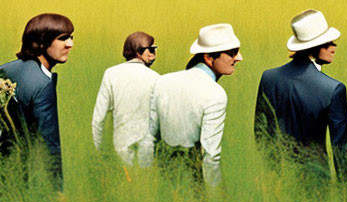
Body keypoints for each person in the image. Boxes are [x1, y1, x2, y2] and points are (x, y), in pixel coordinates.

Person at [255, 9, 347, 182]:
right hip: (316, 182)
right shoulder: (333, 89)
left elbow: (261, 133)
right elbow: (342, 151)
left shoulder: (268, 78)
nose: (334, 47)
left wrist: (269, 179)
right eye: (327, 43)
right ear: (312, 49)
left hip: (275, 181)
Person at [0, 13, 73, 187]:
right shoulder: (43, 82)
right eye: (62, 38)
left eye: (71, 37)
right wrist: (57, 189)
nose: (70, 44)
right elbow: (49, 145)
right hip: (22, 178)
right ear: (41, 42)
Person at [149, 24, 242, 186]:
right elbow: (211, 156)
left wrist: (146, 183)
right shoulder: (215, 94)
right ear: (209, 58)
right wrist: (216, 200)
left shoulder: (162, 81)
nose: (239, 58)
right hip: (193, 178)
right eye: (232, 53)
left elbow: (149, 138)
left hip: (161, 177)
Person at [92, 32, 160, 167]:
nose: (154, 54)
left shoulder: (111, 74)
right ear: (138, 52)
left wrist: (99, 150)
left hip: (119, 146)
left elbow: (98, 119)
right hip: (148, 148)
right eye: (151, 50)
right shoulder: (157, 78)